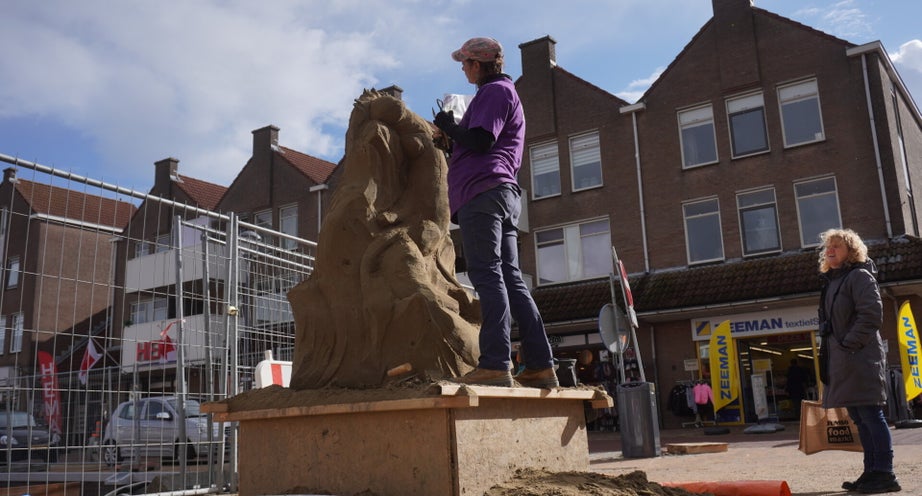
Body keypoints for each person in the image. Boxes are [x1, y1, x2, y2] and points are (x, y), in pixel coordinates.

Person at [433, 37, 558, 389]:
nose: (462, 68)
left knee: (487, 275)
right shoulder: (502, 94)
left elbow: (482, 140)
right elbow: (480, 144)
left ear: (477, 64)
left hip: (483, 193)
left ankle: (495, 363)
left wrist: (448, 125)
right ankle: (540, 365)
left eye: (465, 63)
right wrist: (452, 141)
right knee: (509, 277)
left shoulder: (494, 92)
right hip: (500, 193)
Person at [817, 228, 900, 493]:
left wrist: (848, 344)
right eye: (828, 247)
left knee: (870, 414)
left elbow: (871, 314)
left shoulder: (859, 276)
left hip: (860, 358)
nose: (830, 250)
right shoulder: (834, 281)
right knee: (859, 417)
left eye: (837, 246)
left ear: (851, 251)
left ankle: (885, 473)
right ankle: (871, 471)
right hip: (845, 360)